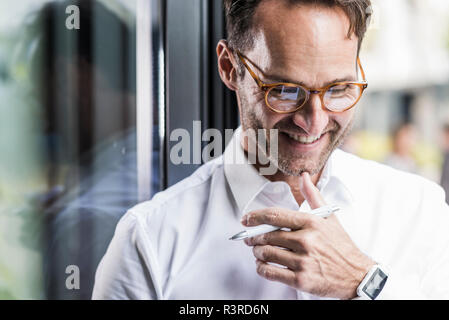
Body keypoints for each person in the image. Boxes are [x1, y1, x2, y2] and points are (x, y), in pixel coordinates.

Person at [93, 0, 449, 300]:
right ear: (230, 68)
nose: (314, 121)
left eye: (339, 88)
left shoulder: (420, 211)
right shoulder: (150, 242)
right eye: (285, 90)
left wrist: (363, 283)